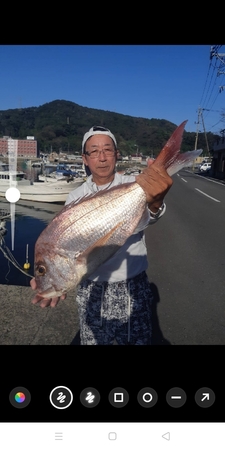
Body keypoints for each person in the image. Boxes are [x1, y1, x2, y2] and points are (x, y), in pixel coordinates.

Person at [30, 125, 173, 345]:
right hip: (92, 290)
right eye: (94, 151)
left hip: (132, 285)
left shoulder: (134, 185)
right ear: (85, 159)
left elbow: (149, 217)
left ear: (117, 155)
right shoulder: (75, 197)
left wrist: (155, 202)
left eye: (107, 150)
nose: (102, 157)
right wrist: (54, 280)